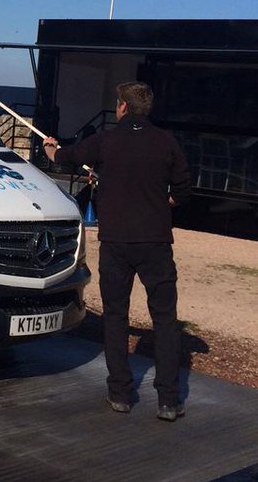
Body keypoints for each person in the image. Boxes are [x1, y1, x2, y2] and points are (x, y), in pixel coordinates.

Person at [42, 82, 191, 421]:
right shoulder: (166, 141)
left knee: (115, 315)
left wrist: (51, 148)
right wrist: (168, 200)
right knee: (165, 320)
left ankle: (120, 393)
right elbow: (183, 188)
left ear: (123, 106)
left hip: (116, 244)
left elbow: (66, 158)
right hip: (155, 243)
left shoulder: (106, 140)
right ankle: (169, 400)